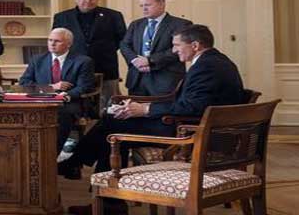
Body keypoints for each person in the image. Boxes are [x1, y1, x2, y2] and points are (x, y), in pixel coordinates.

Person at [61, 24, 245, 215]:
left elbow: (193, 107)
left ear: (195, 45)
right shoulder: (214, 61)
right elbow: (187, 102)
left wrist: (145, 109)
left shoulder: (207, 67)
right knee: (114, 122)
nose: (173, 50)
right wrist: (139, 107)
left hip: (193, 133)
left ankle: (86, 176)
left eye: (177, 45)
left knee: (113, 129)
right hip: (193, 125)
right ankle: (96, 188)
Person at [19, 28, 95, 154]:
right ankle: (30, 154)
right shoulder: (37, 59)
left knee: (59, 115)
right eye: (50, 40)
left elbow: (84, 86)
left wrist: (66, 95)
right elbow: (24, 82)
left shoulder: (83, 61)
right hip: (40, 101)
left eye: (57, 41)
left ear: (68, 44)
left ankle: (51, 156)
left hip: (68, 102)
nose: (52, 44)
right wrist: (51, 87)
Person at [52, 0, 127, 107]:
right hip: (73, 66)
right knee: (75, 100)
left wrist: (105, 50)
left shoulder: (113, 16)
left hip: (105, 65)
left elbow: (123, 39)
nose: (88, 1)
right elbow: (57, 39)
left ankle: (107, 120)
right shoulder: (62, 17)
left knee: (109, 103)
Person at [120, 0, 192, 96]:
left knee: (162, 107)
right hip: (137, 79)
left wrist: (150, 60)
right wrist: (135, 60)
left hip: (165, 80)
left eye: (148, 5)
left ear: (162, 4)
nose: (144, 9)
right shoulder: (136, 24)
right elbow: (124, 45)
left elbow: (179, 49)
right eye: (141, 6)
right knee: (134, 107)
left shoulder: (181, 24)